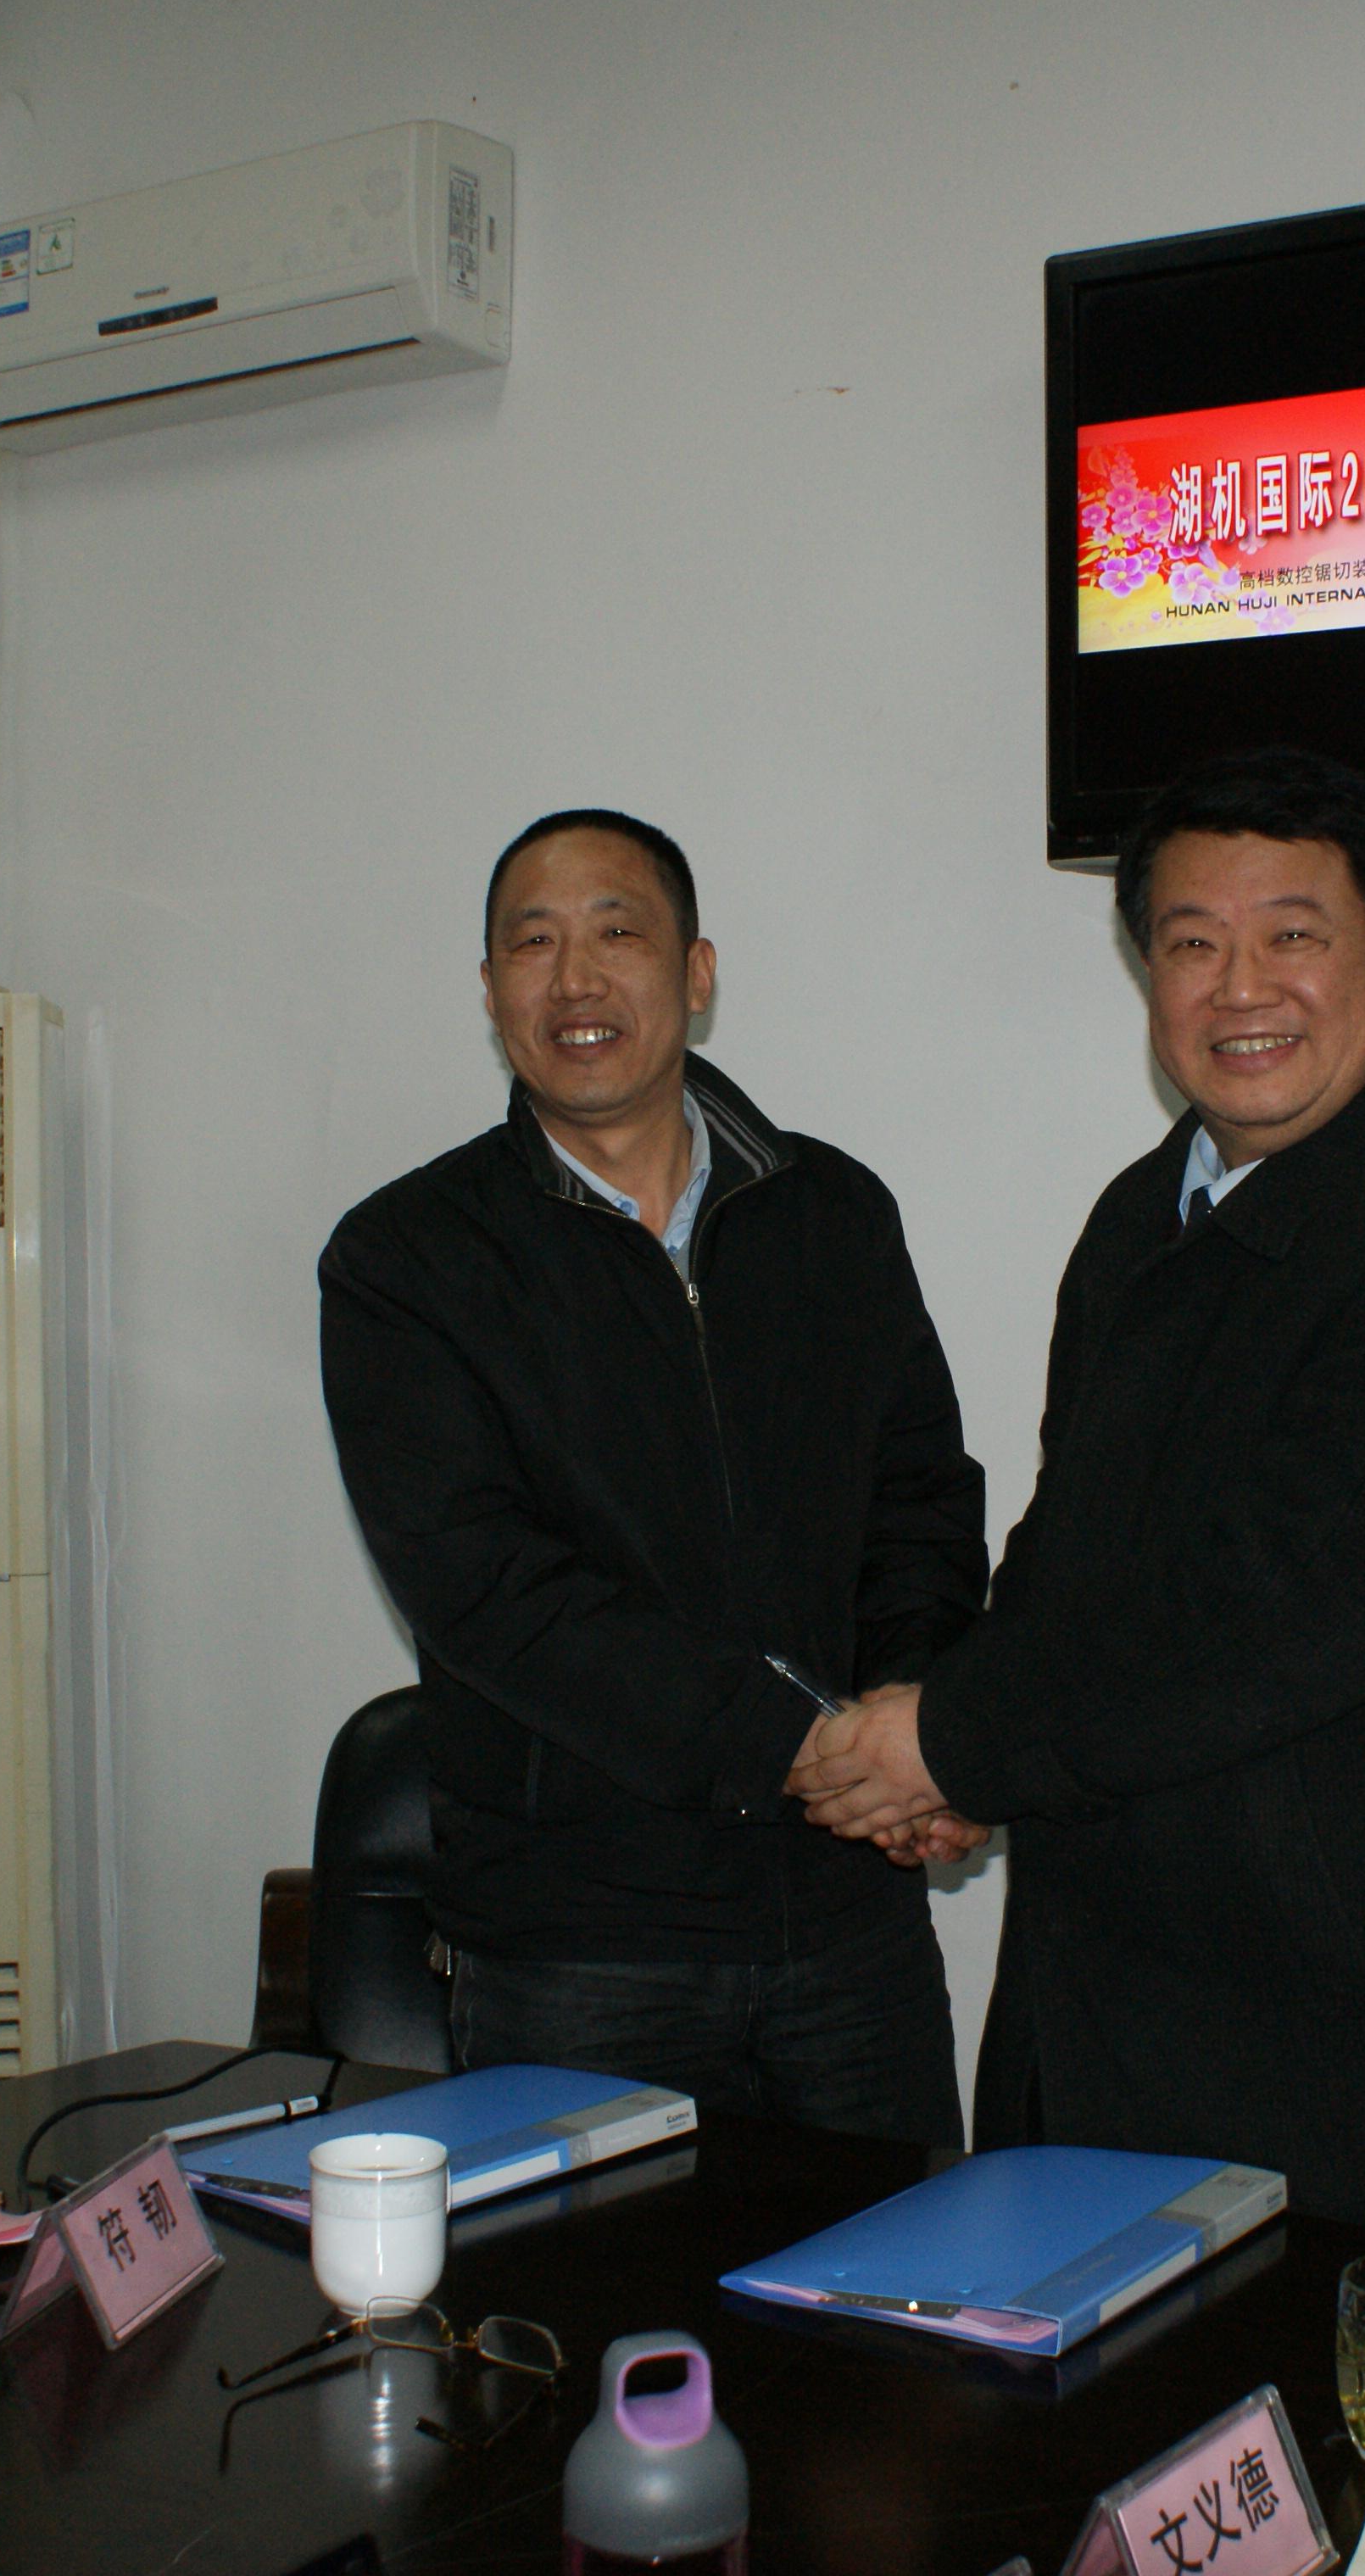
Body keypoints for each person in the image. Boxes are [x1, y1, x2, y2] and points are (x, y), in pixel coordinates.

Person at [788, 748, 1365, 2263]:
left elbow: (1276, 1615)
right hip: (1102, 2020)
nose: (1242, 987)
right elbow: (1069, 1558)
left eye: (1293, 934)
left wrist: (953, 1741)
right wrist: (964, 1743)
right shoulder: (1137, 1217)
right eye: (1191, 943)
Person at [316, 809, 989, 2148]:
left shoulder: (832, 1213)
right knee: (603, 2295)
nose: (575, 980)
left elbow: (918, 1501)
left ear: (696, 974)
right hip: (580, 1954)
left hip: (851, 1930)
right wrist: (797, 1745)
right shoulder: (409, 1259)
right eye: (533, 945)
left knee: (903, 2284)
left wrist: (922, 1731)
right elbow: (489, 1590)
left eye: (617, 934)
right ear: (491, 989)